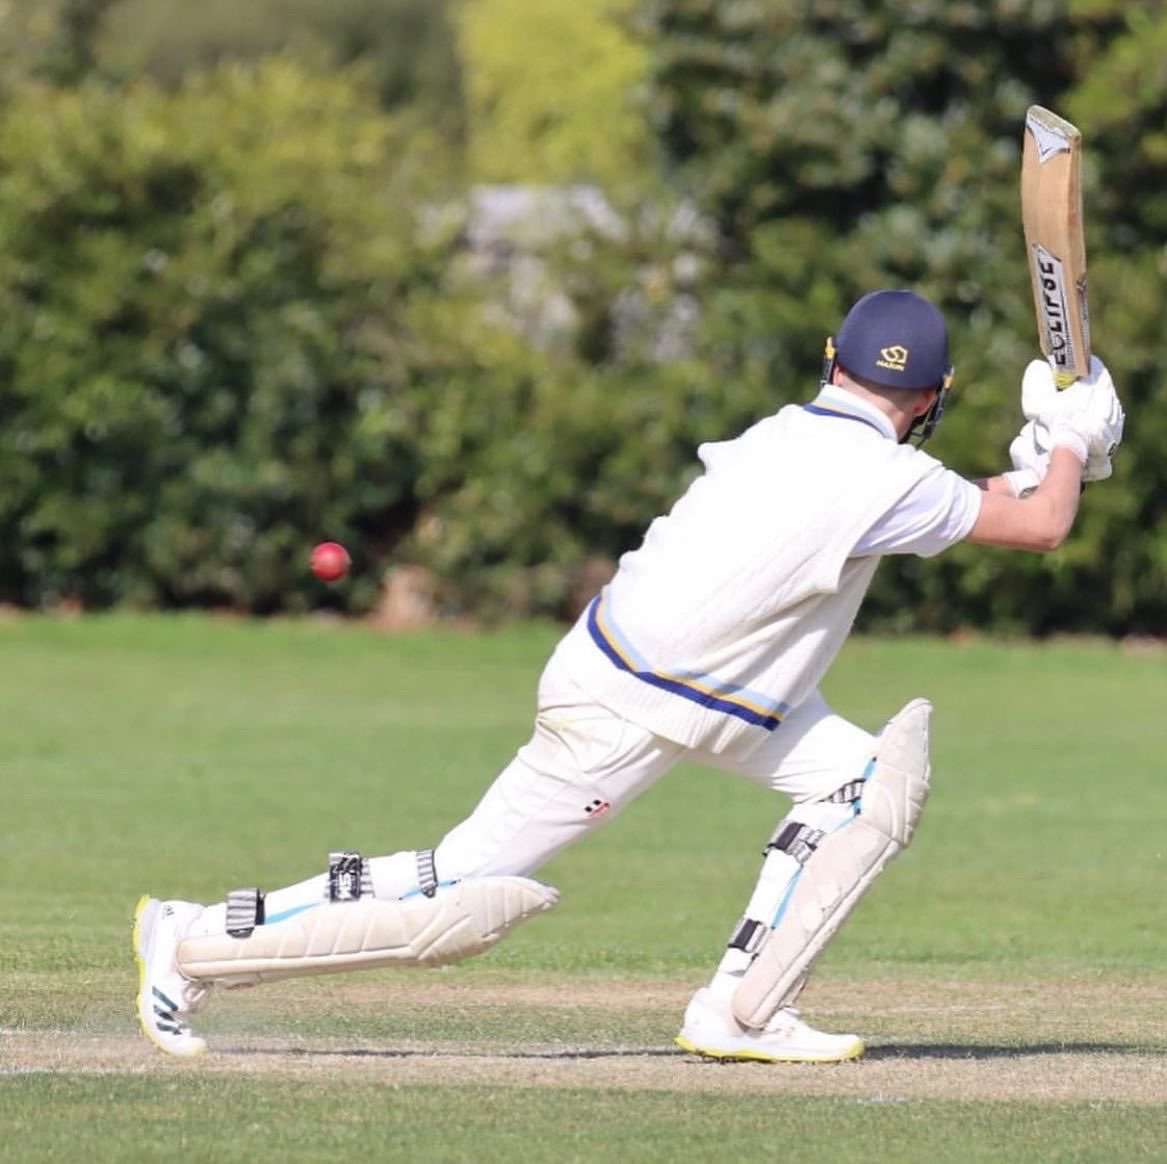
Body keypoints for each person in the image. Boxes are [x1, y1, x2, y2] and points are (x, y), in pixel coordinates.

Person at [133, 289, 1125, 1061]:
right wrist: (1071, 442)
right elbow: (1035, 526)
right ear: (931, 401)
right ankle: (192, 940)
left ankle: (741, 1007)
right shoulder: (890, 477)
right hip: (648, 703)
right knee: (457, 899)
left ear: (834, 363)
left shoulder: (792, 434)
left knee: (860, 780)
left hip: (672, 682)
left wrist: (1048, 456)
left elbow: (973, 505)